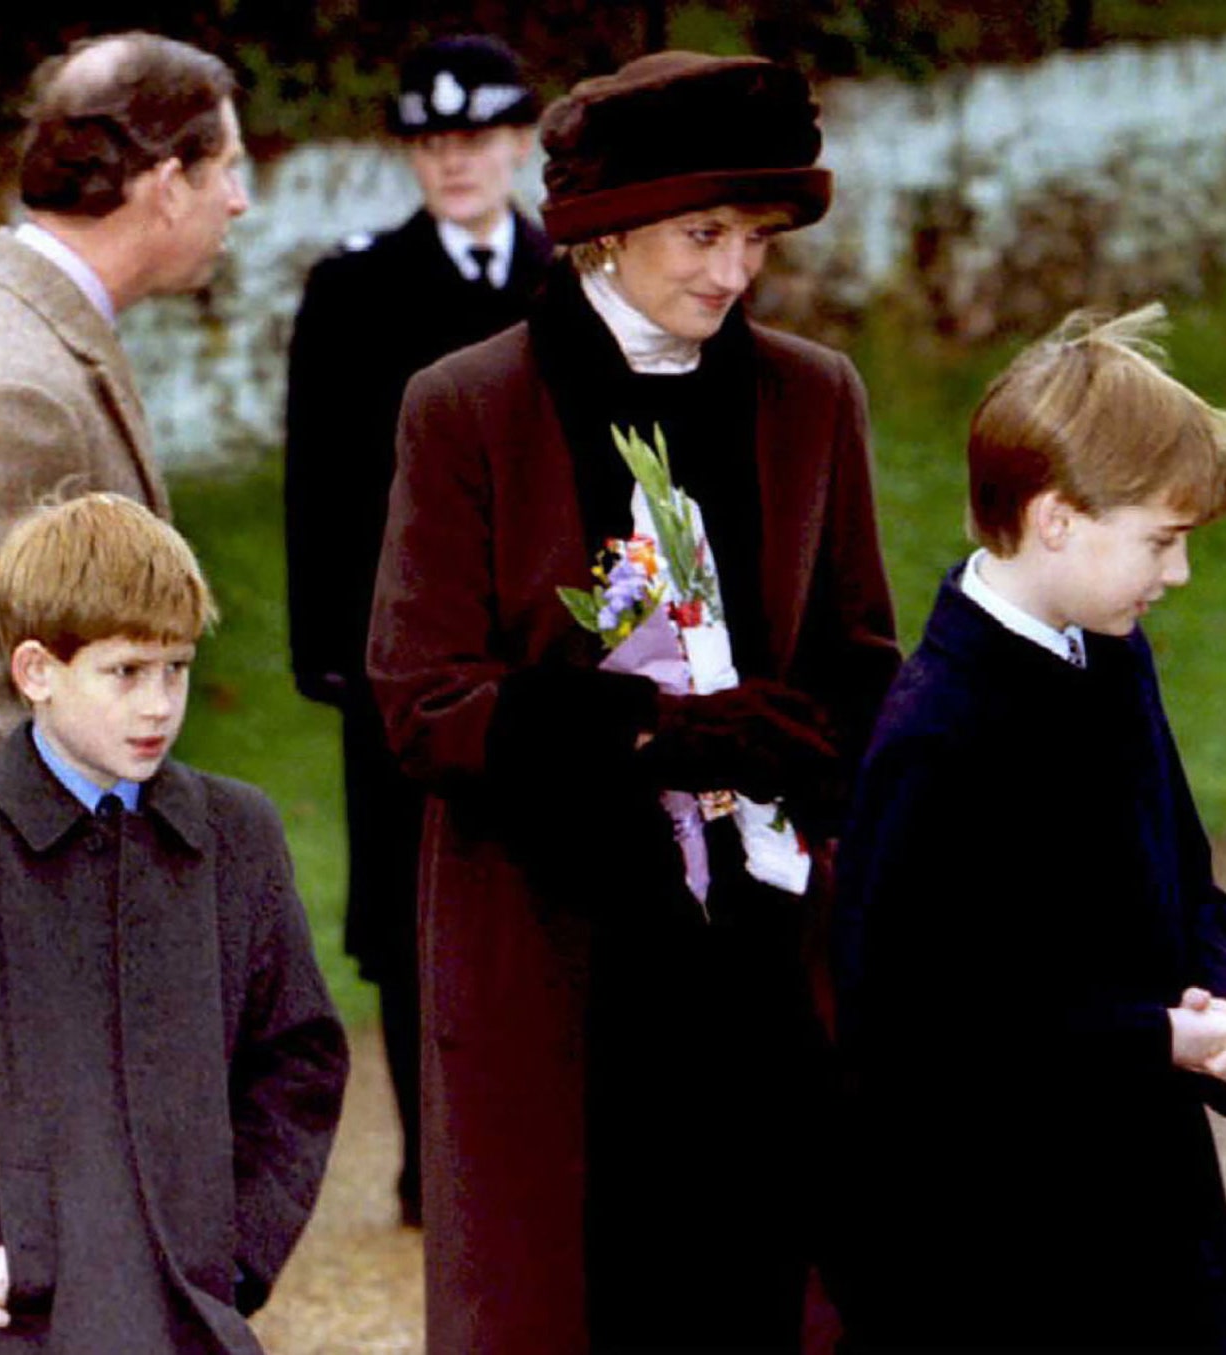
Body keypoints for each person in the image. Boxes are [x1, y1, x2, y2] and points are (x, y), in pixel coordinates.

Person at [367, 50, 899, 1354]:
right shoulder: (466, 405)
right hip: (559, 964)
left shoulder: (809, 392)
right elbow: (420, 698)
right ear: (603, 233)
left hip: (763, 965)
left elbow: (860, 651)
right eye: (699, 233)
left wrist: (807, 743)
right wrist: (645, 729)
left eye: (754, 239)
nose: (729, 272)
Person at [832, 305, 1226, 1352]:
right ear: (1054, 518)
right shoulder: (936, 733)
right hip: (998, 1248)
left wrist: (1208, 983)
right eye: (1160, 541)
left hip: (1147, 1203)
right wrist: (1159, 1035)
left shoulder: (1110, 652)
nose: (1175, 575)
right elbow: (917, 1030)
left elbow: (1182, 870)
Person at [0, 492, 349, 1353]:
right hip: (15, 1327)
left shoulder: (235, 837)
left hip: (192, 1318)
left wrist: (236, 1251)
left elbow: (299, 1058)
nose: (159, 704)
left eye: (176, 668)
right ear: (36, 672)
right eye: (125, 672)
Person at [284, 32, 552, 1226]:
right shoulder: (353, 289)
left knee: (541, 890)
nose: (457, 164)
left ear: (516, 144)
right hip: (400, 657)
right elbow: (320, 484)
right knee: (403, 912)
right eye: (435, 144)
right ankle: (428, 1159)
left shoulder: (568, 276)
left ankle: (533, 1132)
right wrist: (330, 652)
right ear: (413, 155)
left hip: (542, 656)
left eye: (478, 139)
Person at [0, 30, 249, 862]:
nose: (239, 201)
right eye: (227, 169)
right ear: (168, 185)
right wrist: (53, 930)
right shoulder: (17, 390)